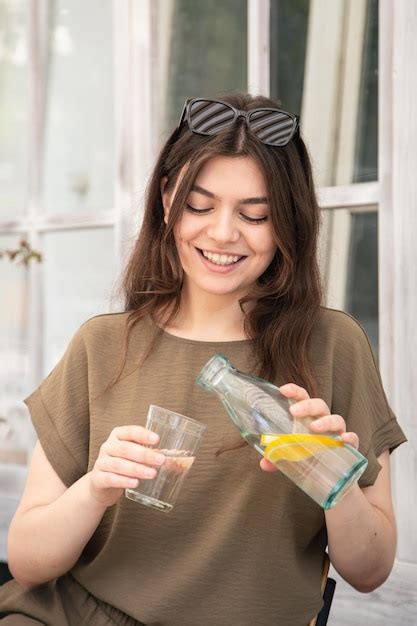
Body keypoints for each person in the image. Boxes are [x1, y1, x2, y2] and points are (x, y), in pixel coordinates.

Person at [0, 94, 407, 626]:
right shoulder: (101, 347)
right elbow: (29, 564)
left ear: (289, 221)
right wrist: (95, 489)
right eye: (199, 205)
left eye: (255, 214)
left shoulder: (333, 345)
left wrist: (336, 483)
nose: (221, 233)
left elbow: (370, 570)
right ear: (167, 201)